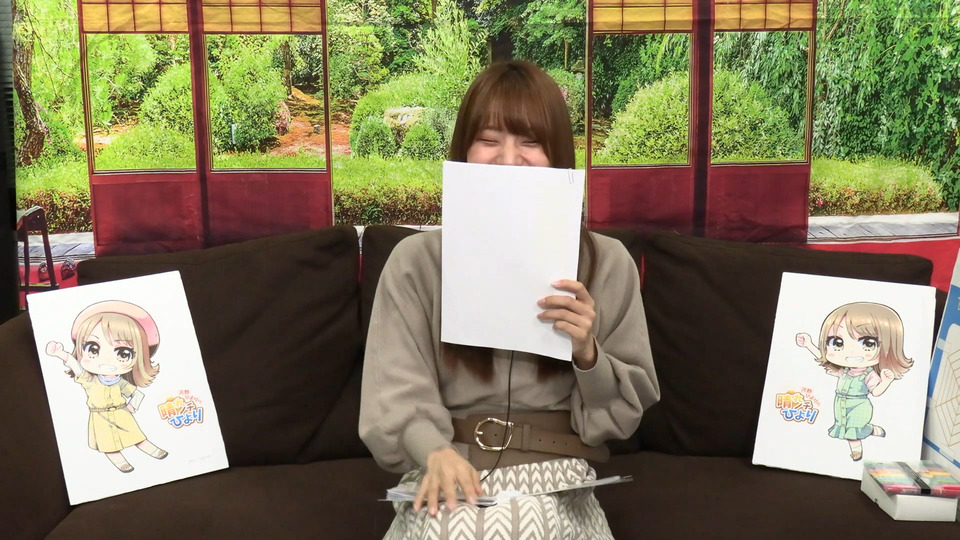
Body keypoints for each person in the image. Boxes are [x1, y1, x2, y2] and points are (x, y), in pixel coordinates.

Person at [359, 60, 659, 539]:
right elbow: (394, 391)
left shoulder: (608, 263)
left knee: (530, 525)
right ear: (463, 150)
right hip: (446, 466)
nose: (508, 160)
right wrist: (434, 452)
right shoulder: (415, 262)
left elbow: (620, 418)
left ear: (559, 155)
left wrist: (588, 354)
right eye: (489, 139)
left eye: (530, 142)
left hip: (559, 478)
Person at [46, 300, 168, 473]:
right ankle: (121, 463)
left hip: (121, 413)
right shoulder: (89, 380)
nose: (106, 360)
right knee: (108, 444)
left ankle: (153, 450)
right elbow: (76, 367)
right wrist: (62, 354)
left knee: (136, 436)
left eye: (123, 353)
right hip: (100, 416)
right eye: (93, 349)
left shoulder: (120, 382)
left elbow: (137, 394)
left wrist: (132, 406)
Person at [795, 302, 912, 461]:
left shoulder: (869, 374)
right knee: (851, 428)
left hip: (859, 407)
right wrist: (809, 344)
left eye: (868, 343)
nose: (850, 352)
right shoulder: (844, 371)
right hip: (841, 405)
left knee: (852, 432)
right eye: (837, 342)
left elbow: (876, 392)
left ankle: (856, 452)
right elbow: (824, 361)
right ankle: (872, 430)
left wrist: (886, 381)